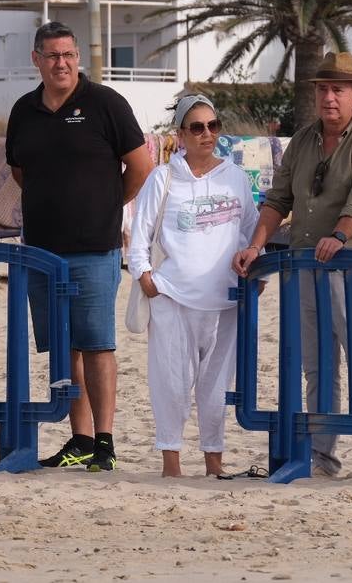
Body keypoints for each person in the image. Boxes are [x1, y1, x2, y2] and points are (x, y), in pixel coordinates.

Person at [231, 52, 352, 482]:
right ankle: (322, 456)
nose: (329, 97)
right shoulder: (302, 141)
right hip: (306, 266)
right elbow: (277, 200)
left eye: (338, 89)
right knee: (317, 365)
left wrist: (339, 235)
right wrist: (255, 245)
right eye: (322, 88)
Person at [5, 21, 152, 472]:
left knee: (97, 345)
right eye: (52, 56)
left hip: (95, 249)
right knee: (63, 348)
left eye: (69, 55)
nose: (62, 63)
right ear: (37, 59)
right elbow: (19, 172)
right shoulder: (24, 110)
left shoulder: (106, 103)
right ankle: (80, 440)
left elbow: (141, 166)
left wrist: (108, 205)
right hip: (42, 253)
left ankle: (104, 443)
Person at [130, 95, 255, 478]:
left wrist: (255, 268)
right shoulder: (163, 177)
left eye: (213, 126)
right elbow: (139, 235)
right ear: (181, 134)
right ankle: (171, 464)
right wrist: (145, 276)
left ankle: (213, 463)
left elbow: (250, 231)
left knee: (216, 386)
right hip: (173, 297)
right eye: (197, 127)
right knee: (171, 383)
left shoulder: (235, 177)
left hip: (224, 300)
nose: (207, 134)